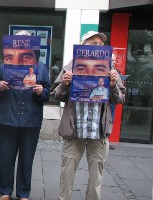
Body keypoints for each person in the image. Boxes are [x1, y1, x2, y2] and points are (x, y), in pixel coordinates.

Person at [50, 31, 126, 200]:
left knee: (95, 179)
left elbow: (120, 98)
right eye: (93, 43)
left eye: (100, 44)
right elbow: (55, 94)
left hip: (98, 132)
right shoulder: (70, 66)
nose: (97, 46)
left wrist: (113, 86)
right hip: (74, 129)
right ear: (83, 46)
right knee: (67, 174)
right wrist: (65, 84)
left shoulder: (110, 69)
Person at [0, 30, 50, 200]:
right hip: (8, 118)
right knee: (6, 159)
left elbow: (48, 93)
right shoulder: (4, 66)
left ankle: (23, 193)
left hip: (31, 120)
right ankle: (5, 191)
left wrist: (41, 92)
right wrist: (0, 88)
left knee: (27, 160)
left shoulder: (41, 67)